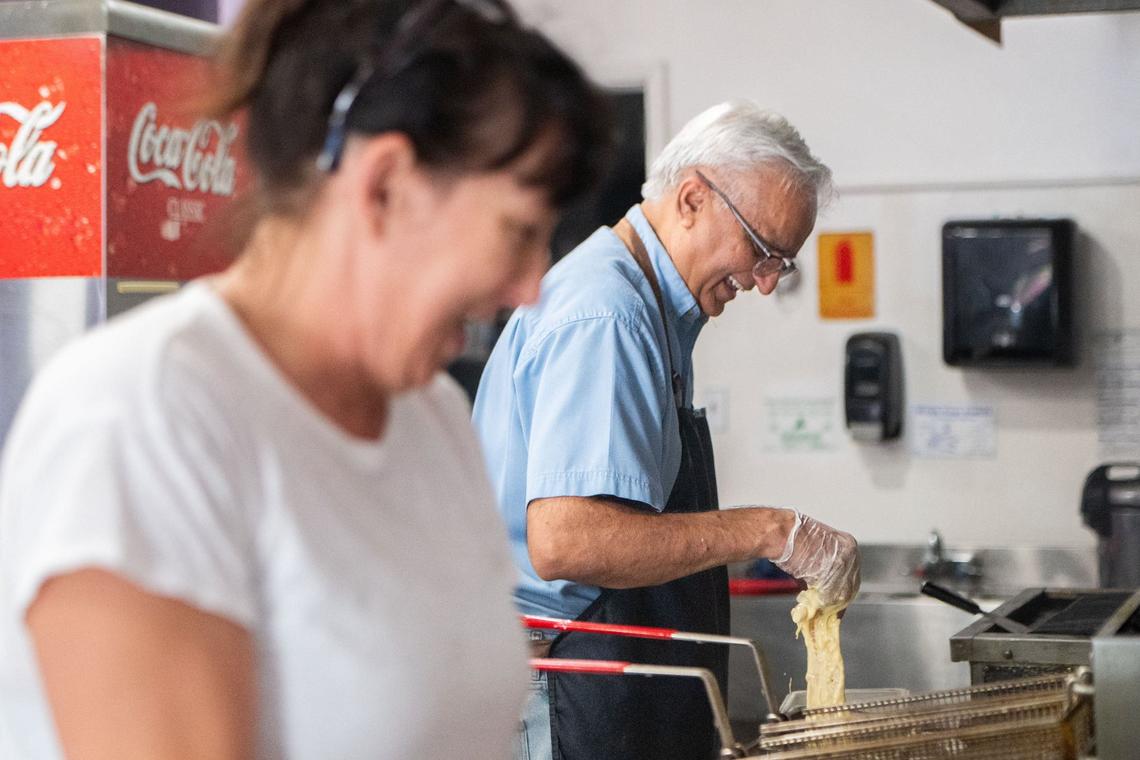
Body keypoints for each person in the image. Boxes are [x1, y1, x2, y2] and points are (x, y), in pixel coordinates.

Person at [0, 1, 610, 759]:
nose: (530, 288)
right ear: (384, 184)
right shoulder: (143, 416)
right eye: (518, 232)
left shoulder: (431, 416)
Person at [472, 100, 861, 760]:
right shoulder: (608, 316)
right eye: (762, 251)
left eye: (781, 264)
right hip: (566, 696)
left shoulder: (649, 310)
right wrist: (771, 530)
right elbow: (569, 542)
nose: (765, 284)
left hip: (611, 688)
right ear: (690, 199)